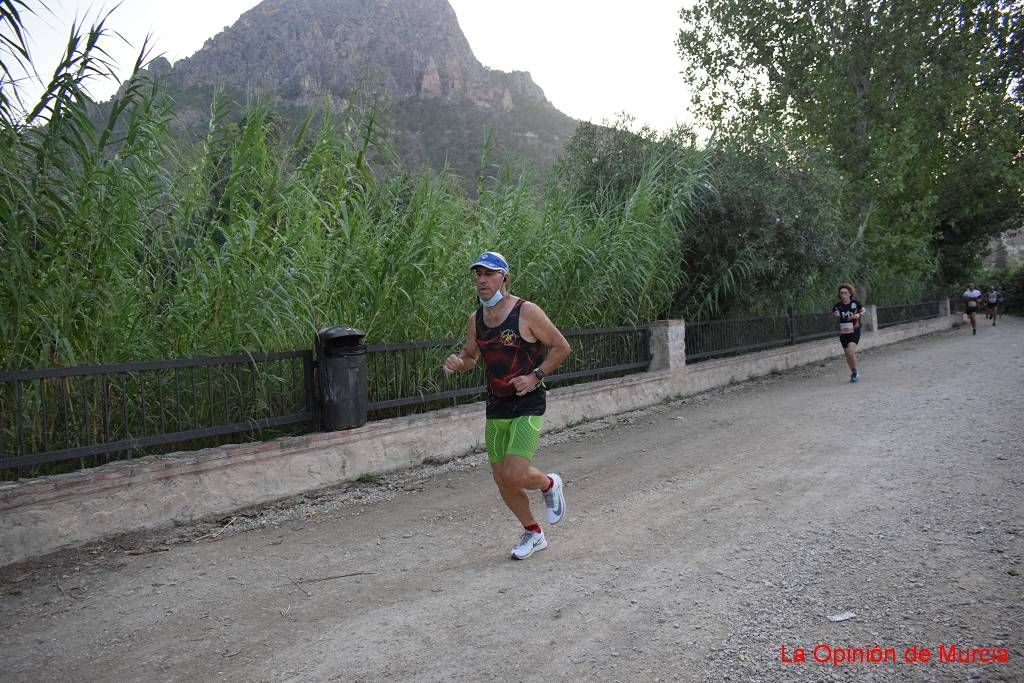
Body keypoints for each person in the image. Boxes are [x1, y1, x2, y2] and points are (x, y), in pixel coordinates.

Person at [443, 251, 572, 560]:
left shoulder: (526, 312)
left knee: (515, 473)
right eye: (477, 274)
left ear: (505, 278)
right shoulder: (476, 319)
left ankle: (549, 483)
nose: (481, 280)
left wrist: (535, 376)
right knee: (501, 479)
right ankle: (533, 532)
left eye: (489, 274)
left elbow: (561, 347)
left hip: (527, 402)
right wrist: (458, 363)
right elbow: (471, 357)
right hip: (496, 405)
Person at [832, 284, 864, 383]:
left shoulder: (855, 304)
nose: (843, 295)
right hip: (844, 333)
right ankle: (854, 372)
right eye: (841, 293)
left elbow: (863, 310)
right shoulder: (838, 306)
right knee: (847, 355)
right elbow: (834, 314)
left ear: (850, 294)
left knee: (850, 351)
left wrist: (857, 315)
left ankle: (855, 374)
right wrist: (835, 314)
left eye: (845, 293)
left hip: (854, 331)